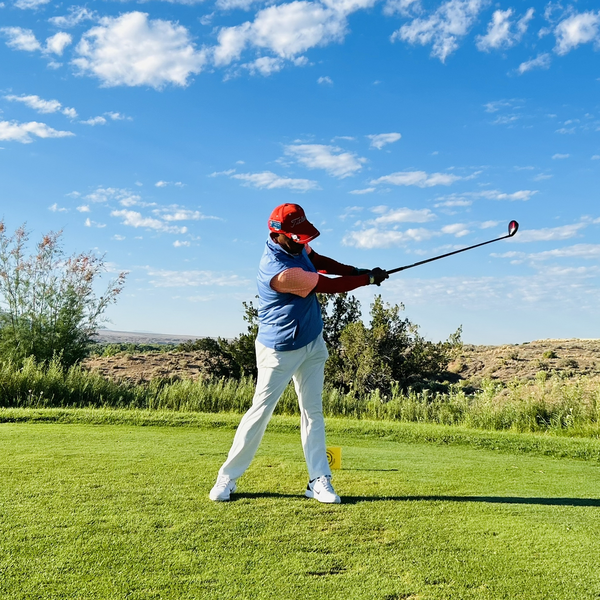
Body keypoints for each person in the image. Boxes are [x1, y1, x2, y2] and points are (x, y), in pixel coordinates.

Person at [209, 203, 388, 503]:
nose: (302, 243)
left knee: (312, 412)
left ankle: (318, 479)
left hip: (312, 343)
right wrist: (367, 280)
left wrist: (358, 270)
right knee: (260, 412)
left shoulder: (297, 248)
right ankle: (227, 477)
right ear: (278, 235)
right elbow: (328, 285)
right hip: (279, 350)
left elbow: (320, 262)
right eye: (297, 238)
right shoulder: (280, 271)